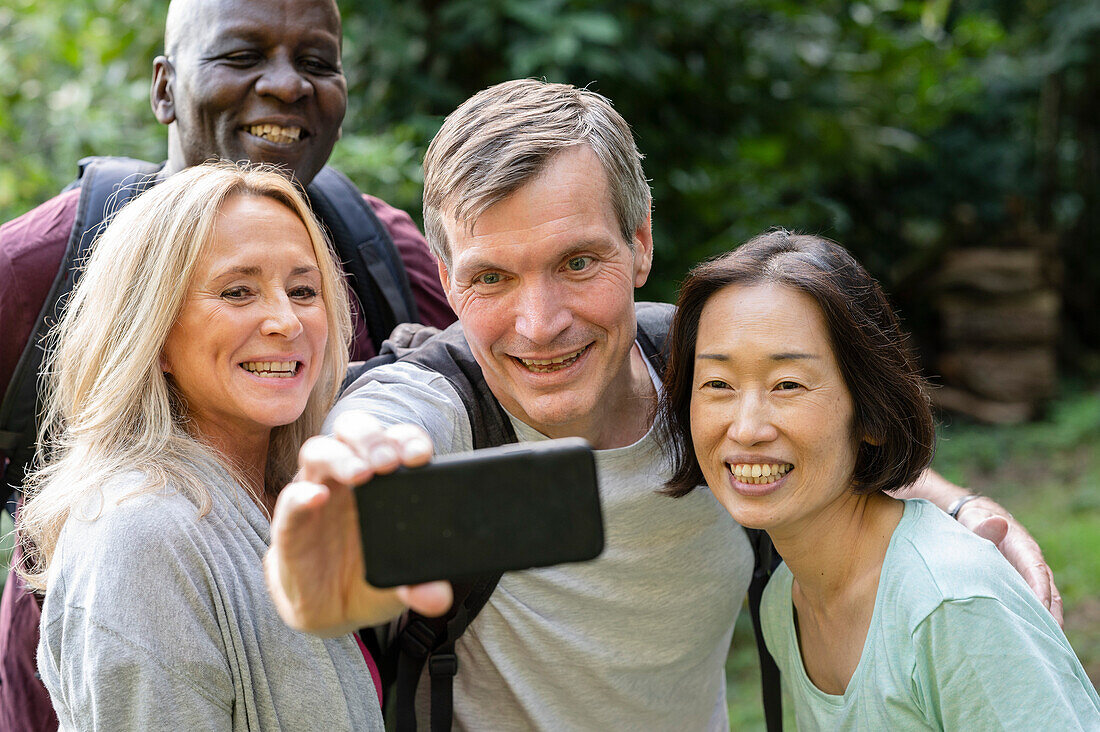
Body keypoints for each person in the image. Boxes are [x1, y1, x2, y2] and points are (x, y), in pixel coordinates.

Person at [264, 79, 1064, 729]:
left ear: (641, 243)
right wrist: (347, 471)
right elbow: (383, 424)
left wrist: (963, 510)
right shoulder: (443, 402)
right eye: (492, 278)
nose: (540, 326)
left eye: (578, 262)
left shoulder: (704, 378)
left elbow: (814, 440)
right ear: (445, 280)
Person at [0, 0, 455, 727]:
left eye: (305, 289)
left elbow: (485, 365)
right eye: (241, 57)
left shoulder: (379, 247)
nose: (284, 86)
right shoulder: (35, 264)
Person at [658, 230, 1100, 729]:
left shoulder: (947, 605)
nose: (746, 428)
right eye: (718, 384)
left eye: (787, 385)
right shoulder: (786, 605)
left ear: (870, 413)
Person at [16, 162, 388, 729]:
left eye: (303, 289)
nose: (286, 320)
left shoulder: (284, 494)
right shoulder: (142, 534)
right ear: (153, 331)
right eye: (238, 291)